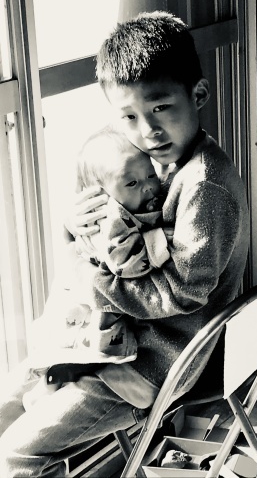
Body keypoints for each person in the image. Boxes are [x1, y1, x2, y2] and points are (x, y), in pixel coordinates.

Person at [0, 11, 250, 477]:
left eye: (161, 108)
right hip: (120, 342)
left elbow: (183, 293)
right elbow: (110, 221)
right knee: (7, 405)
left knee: (17, 454)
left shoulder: (205, 186)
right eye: (129, 117)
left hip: (153, 364)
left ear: (198, 95)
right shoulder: (154, 161)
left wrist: (87, 277)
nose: (147, 131)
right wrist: (74, 226)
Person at [22, 126, 172, 410]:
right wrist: (162, 240)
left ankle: (50, 386)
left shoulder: (133, 207)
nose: (148, 186)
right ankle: (44, 392)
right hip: (83, 307)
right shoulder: (108, 222)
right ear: (101, 195)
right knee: (76, 356)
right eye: (132, 183)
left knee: (80, 358)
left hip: (95, 300)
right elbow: (127, 264)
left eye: (151, 175)